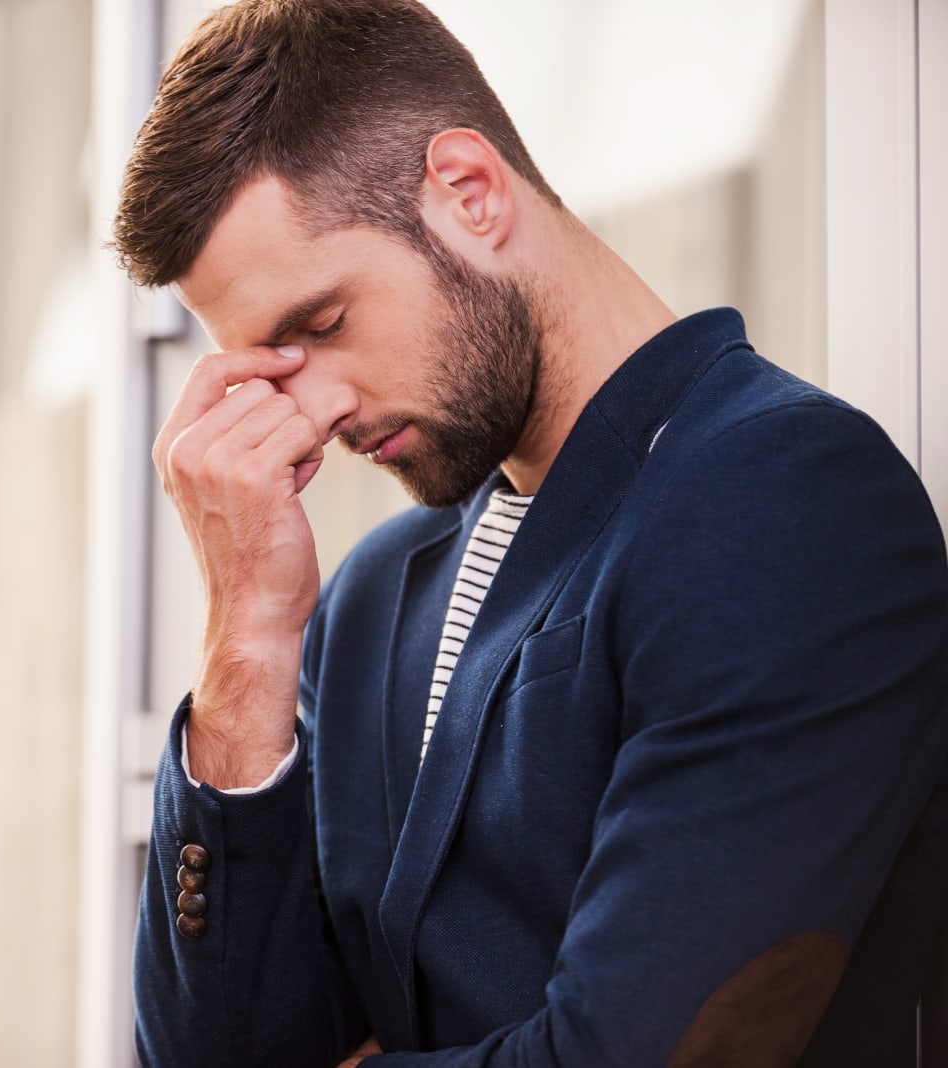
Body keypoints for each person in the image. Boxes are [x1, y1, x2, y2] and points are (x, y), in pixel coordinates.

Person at [110, 1, 948, 1065]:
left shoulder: (782, 499)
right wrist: (247, 640)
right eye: (266, 367)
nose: (309, 410)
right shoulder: (367, 599)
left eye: (319, 327)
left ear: (468, 193)